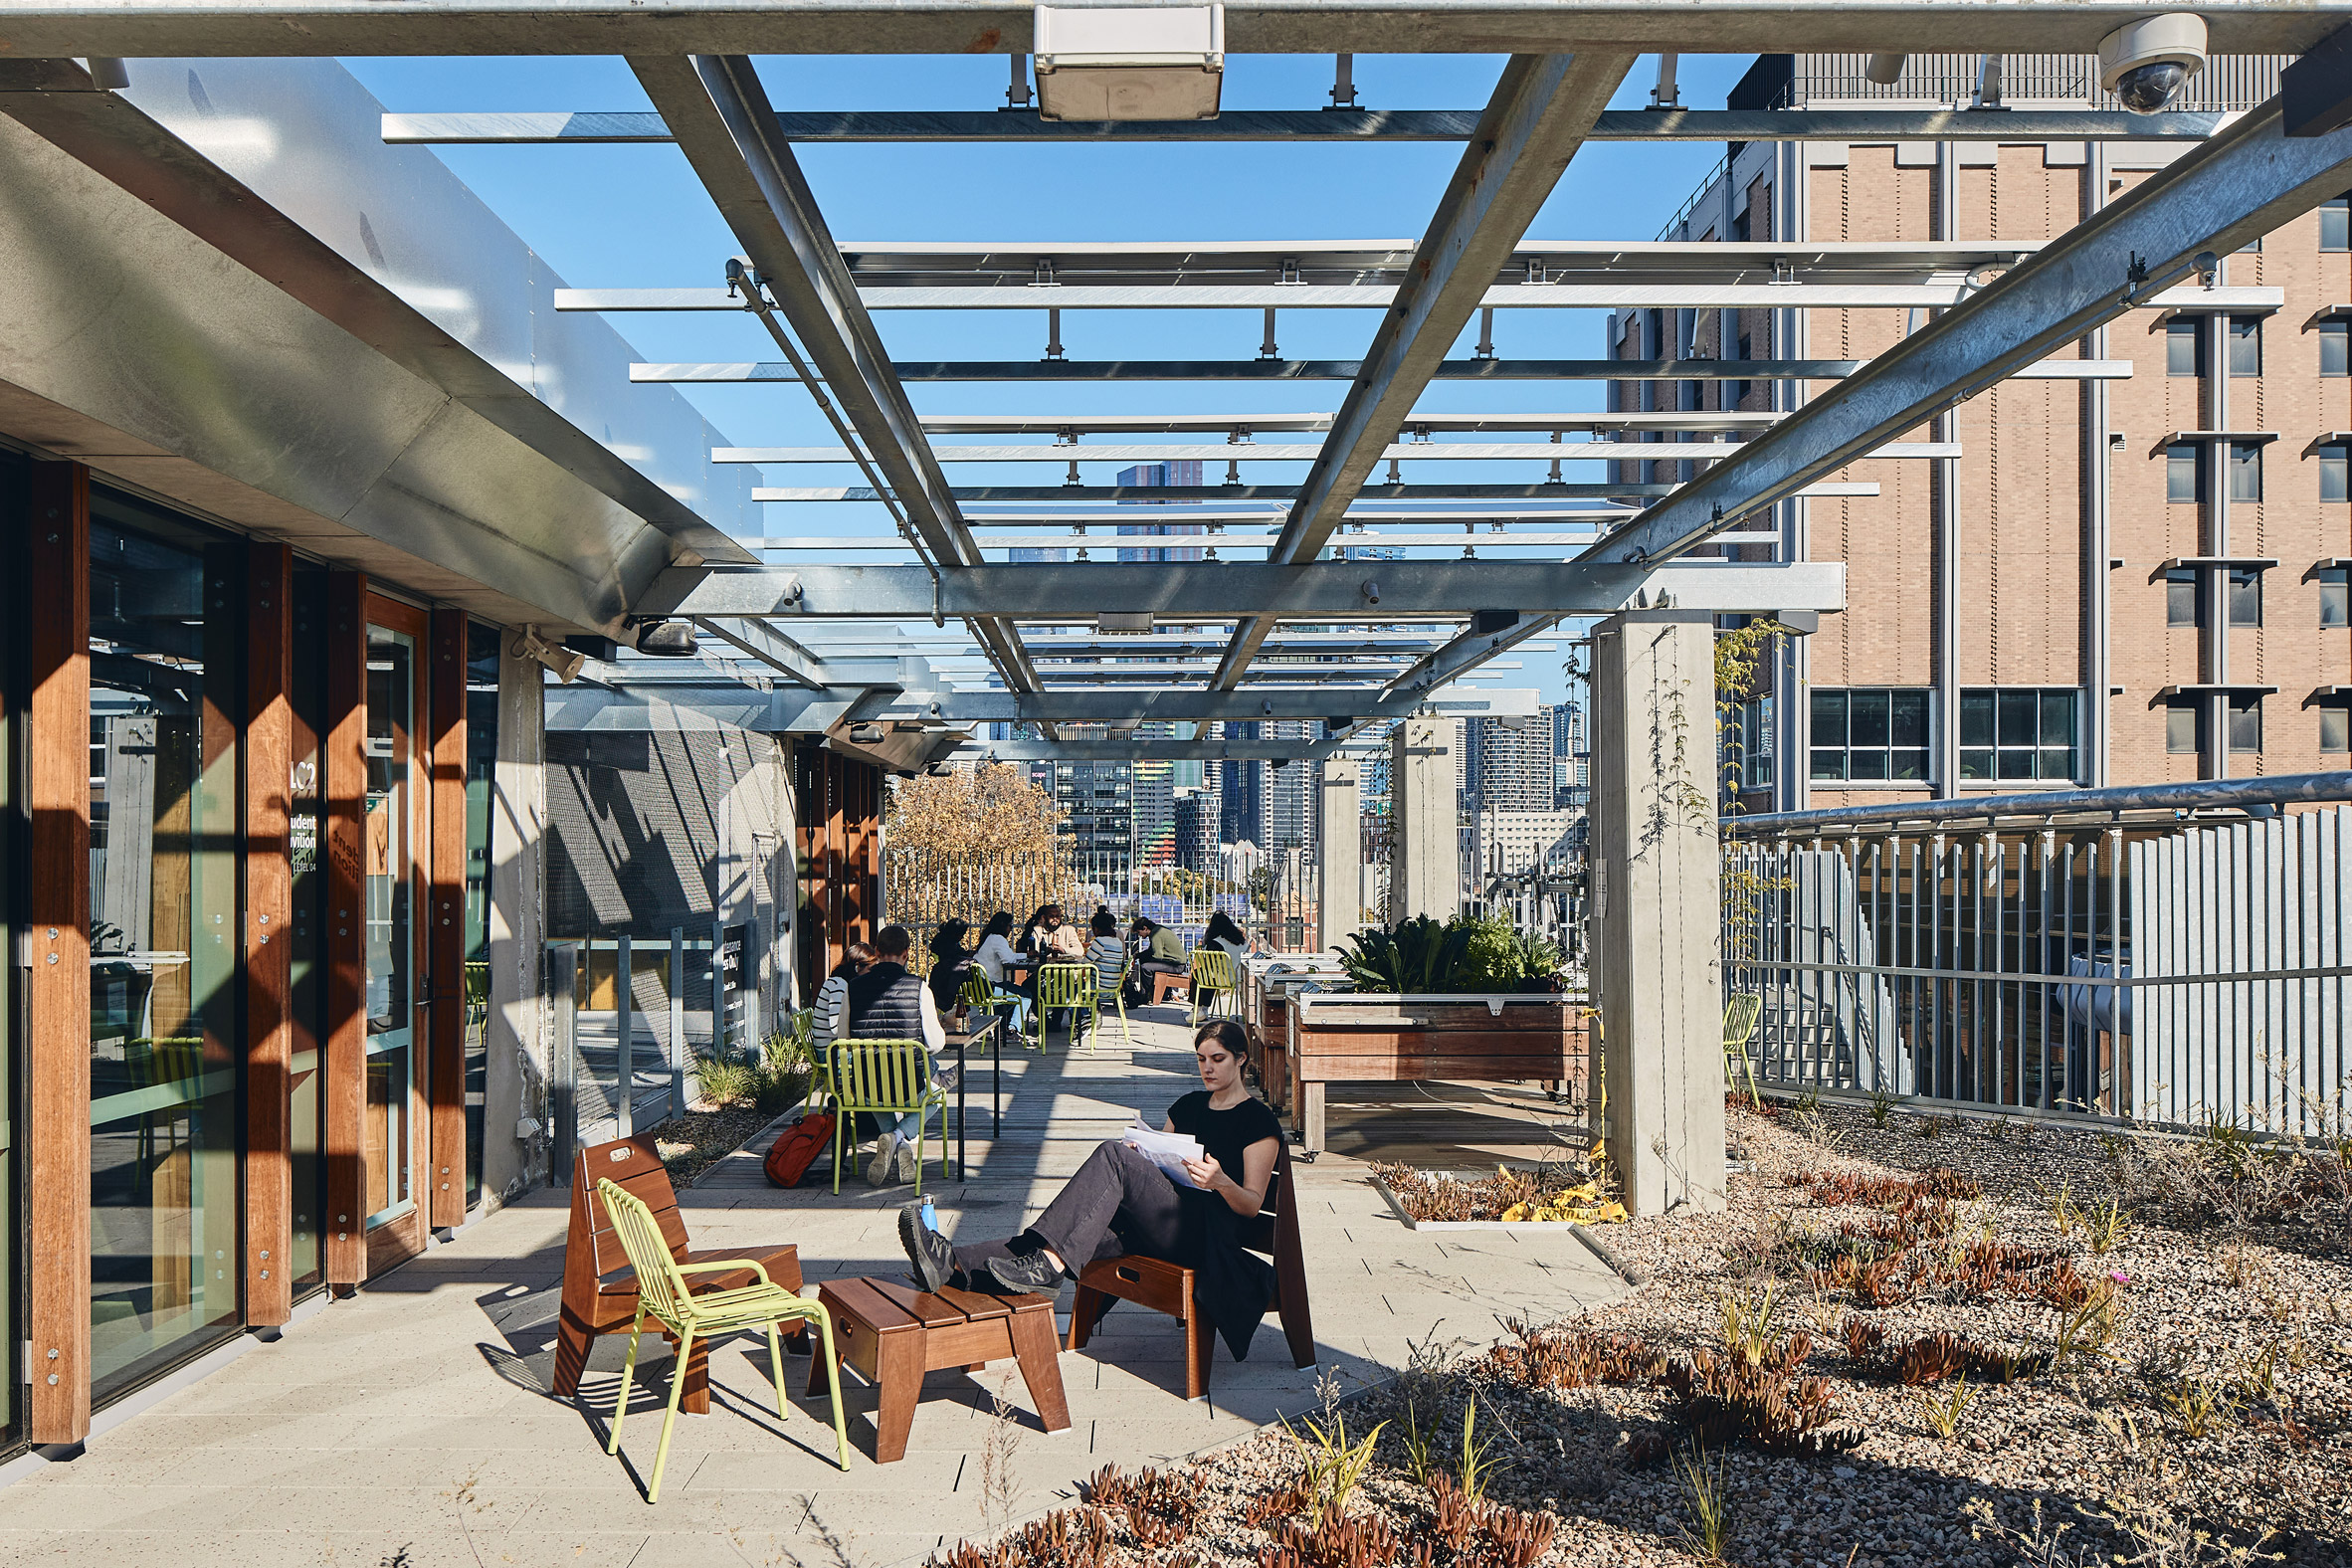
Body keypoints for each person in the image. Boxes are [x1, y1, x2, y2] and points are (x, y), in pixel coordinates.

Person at [897, 1018, 1282, 1366]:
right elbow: (1163, 1170)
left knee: (1112, 1157)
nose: (1207, 1068)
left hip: (1203, 1235)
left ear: (1241, 1060)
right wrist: (1144, 1154)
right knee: (1061, 1234)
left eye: (1217, 1059)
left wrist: (1219, 1181)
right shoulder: (1188, 1106)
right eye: (1201, 1059)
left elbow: (1251, 1205)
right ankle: (954, 1261)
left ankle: (1047, 1268)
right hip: (1159, 1223)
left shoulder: (1257, 1121)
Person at [840, 925, 950, 1187]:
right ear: (907, 953)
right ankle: (900, 1137)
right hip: (910, 1086)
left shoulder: (852, 988)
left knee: (880, 1092)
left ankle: (892, 1140)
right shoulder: (919, 988)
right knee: (938, 1093)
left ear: (876, 952)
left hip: (867, 1087)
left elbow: (843, 1040)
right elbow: (935, 1044)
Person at [808, 940, 876, 1051]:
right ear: (857, 967)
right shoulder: (838, 986)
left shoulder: (838, 982)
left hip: (829, 1048)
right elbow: (837, 1028)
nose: (872, 974)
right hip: (830, 1052)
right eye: (870, 969)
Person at [972, 911, 1030, 1030]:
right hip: (992, 987)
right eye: (1010, 926)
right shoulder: (998, 939)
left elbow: (1010, 956)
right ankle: (1013, 1029)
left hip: (982, 986)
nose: (1010, 929)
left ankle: (999, 1024)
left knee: (1014, 992)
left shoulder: (988, 938)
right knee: (1026, 996)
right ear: (1003, 925)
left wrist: (1027, 955)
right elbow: (1008, 960)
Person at [1080, 908, 1126, 1045]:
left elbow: (1086, 962)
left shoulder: (1099, 942)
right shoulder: (1117, 941)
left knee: (1073, 990)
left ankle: (1085, 1017)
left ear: (1096, 928)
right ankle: (1093, 1013)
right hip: (1113, 986)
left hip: (1098, 987)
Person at [1125, 914, 1187, 1008]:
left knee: (1146, 967)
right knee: (1144, 961)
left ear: (1145, 928)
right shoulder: (1156, 930)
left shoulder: (1156, 935)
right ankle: (1145, 992)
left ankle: (1147, 994)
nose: (1140, 936)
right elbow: (1151, 951)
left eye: (1139, 932)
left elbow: (1157, 956)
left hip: (1176, 964)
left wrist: (1144, 960)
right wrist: (1137, 956)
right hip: (1173, 962)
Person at [926, 919, 977, 1014]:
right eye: (961, 935)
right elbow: (954, 954)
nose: (962, 937)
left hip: (943, 973)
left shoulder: (945, 939)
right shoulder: (946, 942)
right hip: (948, 974)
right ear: (955, 933)